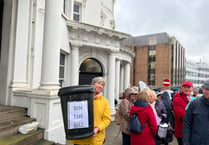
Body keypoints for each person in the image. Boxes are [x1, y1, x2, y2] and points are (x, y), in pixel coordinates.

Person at [70, 77, 111, 145]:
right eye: (98, 83)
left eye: (102, 85)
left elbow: (106, 119)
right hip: (81, 138)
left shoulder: (104, 101)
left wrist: (97, 129)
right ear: (92, 84)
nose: (101, 86)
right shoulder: (81, 98)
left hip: (95, 138)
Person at [183, 79, 209, 145]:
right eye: (204, 89)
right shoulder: (194, 104)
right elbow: (186, 124)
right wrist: (186, 142)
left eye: (207, 89)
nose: (204, 91)